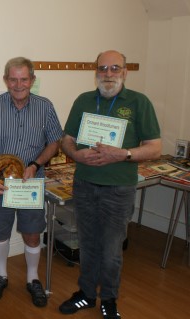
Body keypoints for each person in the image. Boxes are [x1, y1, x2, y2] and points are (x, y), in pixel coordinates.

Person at [59, 50, 162, 319]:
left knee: (111, 250)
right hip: (84, 185)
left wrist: (124, 154)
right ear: (95, 72)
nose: (108, 74)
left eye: (114, 68)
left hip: (118, 190)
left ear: (125, 72)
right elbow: (66, 139)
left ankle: (109, 299)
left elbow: (155, 148)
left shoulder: (139, 102)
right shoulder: (83, 100)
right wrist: (75, 153)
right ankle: (86, 294)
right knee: (87, 244)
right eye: (103, 68)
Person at [0, 57, 63, 307]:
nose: (18, 84)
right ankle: (2, 275)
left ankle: (32, 279)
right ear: (6, 80)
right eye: (13, 79)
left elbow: (55, 142)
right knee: (0, 232)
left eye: (23, 79)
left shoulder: (45, 106)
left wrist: (36, 164)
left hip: (31, 184)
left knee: (32, 233)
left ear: (32, 80)